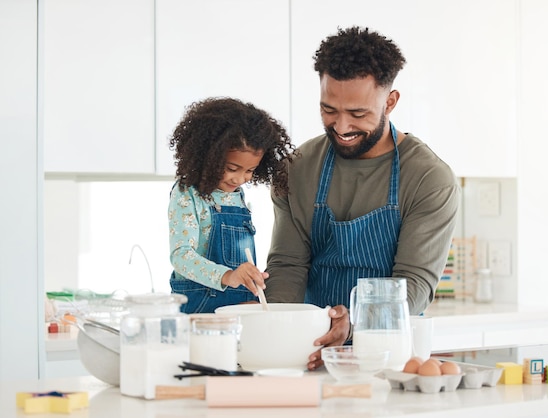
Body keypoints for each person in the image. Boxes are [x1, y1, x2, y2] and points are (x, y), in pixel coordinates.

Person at [265, 27, 460, 369]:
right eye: (329, 110)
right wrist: (275, 327)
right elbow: (288, 266)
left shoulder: (429, 178)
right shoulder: (296, 168)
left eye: (358, 114)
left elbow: (413, 284)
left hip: (390, 355)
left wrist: (353, 325)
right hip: (311, 348)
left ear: (390, 101)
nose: (341, 127)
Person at [168, 97, 296, 314]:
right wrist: (229, 276)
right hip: (200, 307)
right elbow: (181, 257)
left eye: (249, 171)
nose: (239, 179)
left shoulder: (238, 196)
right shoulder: (187, 193)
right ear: (209, 156)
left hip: (238, 305)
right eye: (231, 168)